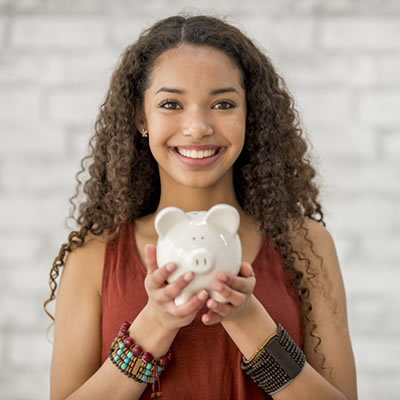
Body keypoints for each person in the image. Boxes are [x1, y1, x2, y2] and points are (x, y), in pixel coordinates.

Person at [43, 14, 357, 400]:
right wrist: (156, 324)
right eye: (171, 104)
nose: (197, 127)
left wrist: (247, 320)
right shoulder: (93, 255)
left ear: (249, 115)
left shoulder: (306, 244)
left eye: (223, 103)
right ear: (142, 117)